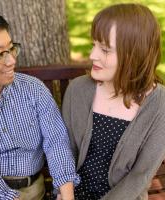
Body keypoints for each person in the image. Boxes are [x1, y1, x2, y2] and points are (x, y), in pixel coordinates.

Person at [0, 5, 79, 200]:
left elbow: (56, 141)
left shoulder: (33, 89)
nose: (11, 61)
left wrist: (66, 193)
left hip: (34, 188)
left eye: (11, 48)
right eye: (0, 54)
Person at [62, 3, 165, 200]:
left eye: (105, 50)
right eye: (94, 45)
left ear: (134, 56)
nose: (92, 56)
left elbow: (140, 176)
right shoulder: (78, 90)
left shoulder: (160, 104)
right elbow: (64, 152)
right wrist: (64, 192)